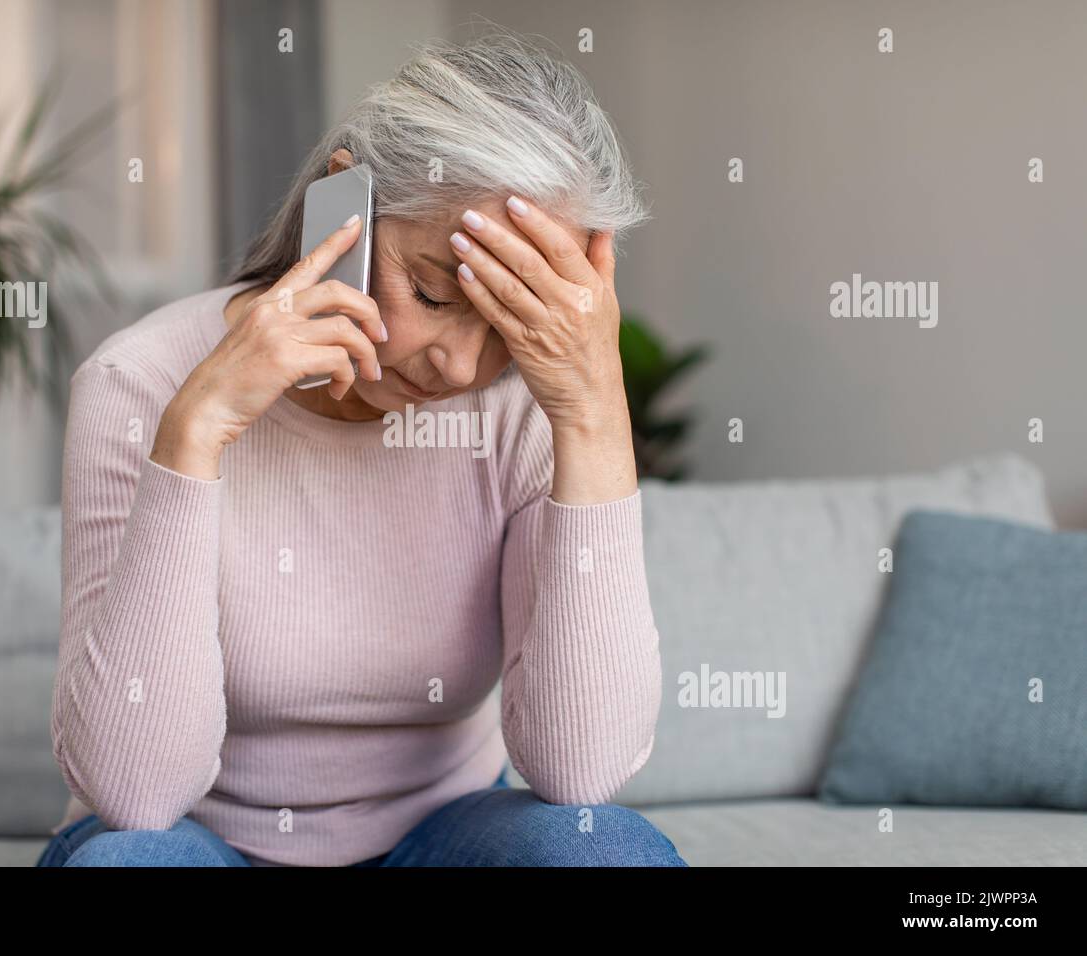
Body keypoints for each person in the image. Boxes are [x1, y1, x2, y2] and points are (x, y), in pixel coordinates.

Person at [38, 29, 687, 867]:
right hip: (198, 841)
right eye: (431, 291)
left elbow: (581, 771)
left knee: (606, 852)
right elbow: (135, 798)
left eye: (509, 324)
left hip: (439, 839)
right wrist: (193, 435)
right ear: (341, 200)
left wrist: (593, 414)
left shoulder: (526, 402)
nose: (459, 365)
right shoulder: (137, 382)